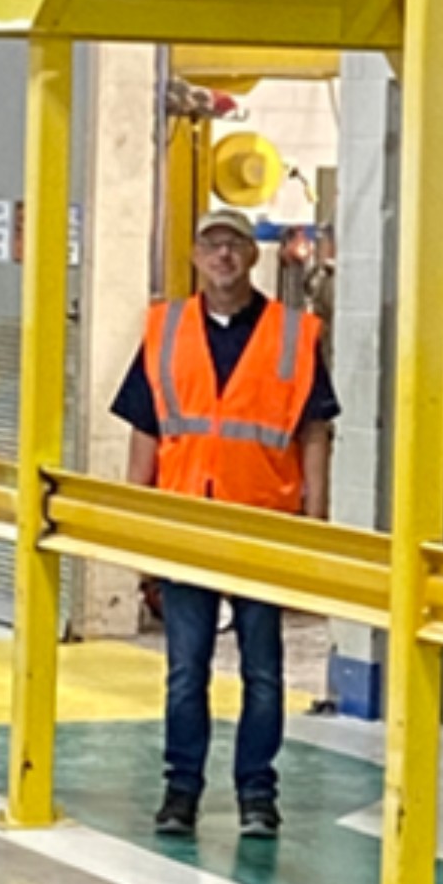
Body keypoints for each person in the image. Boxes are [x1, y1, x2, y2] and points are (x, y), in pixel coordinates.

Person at [109, 209, 338, 840]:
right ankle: (180, 793)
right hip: (185, 524)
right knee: (187, 670)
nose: (224, 256)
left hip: (263, 524)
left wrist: (313, 523)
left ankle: (257, 796)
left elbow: (314, 433)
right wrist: (139, 525)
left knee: (263, 672)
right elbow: (146, 432)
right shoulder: (166, 329)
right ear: (194, 256)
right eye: (212, 245)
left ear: (253, 256)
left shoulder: (293, 334)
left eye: (235, 244)